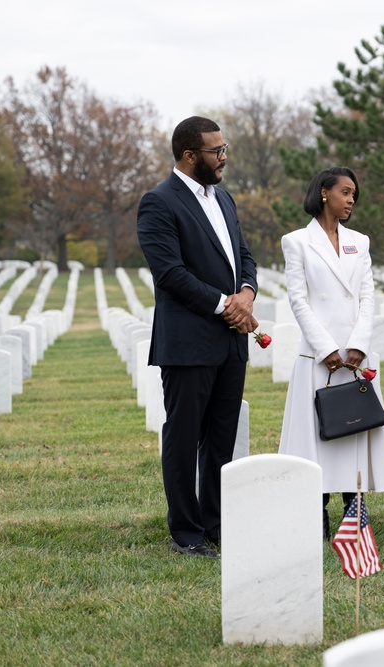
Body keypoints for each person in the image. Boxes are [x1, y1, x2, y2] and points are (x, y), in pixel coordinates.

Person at [136, 116, 258, 559]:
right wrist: (227, 306)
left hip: (230, 342)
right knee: (184, 438)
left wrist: (246, 293)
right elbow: (170, 274)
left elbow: (243, 256)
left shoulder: (223, 199)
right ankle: (185, 531)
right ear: (190, 156)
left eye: (224, 149)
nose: (224, 157)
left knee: (222, 437)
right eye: (217, 151)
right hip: (188, 343)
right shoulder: (159, 202)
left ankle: (216, 523)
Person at [277, 167, 384, 540]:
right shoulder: (296, 241)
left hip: (356, 355)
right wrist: (326, 347)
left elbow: (366, 296)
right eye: (345, 192)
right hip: (319, 356)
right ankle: (316, 514)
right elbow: (298, 298)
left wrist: (359, 344)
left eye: (354, 195)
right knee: (318, 435)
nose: (350, 200)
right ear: (324, 193)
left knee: (354, 432)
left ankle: (354, 510)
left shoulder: (359, 242)